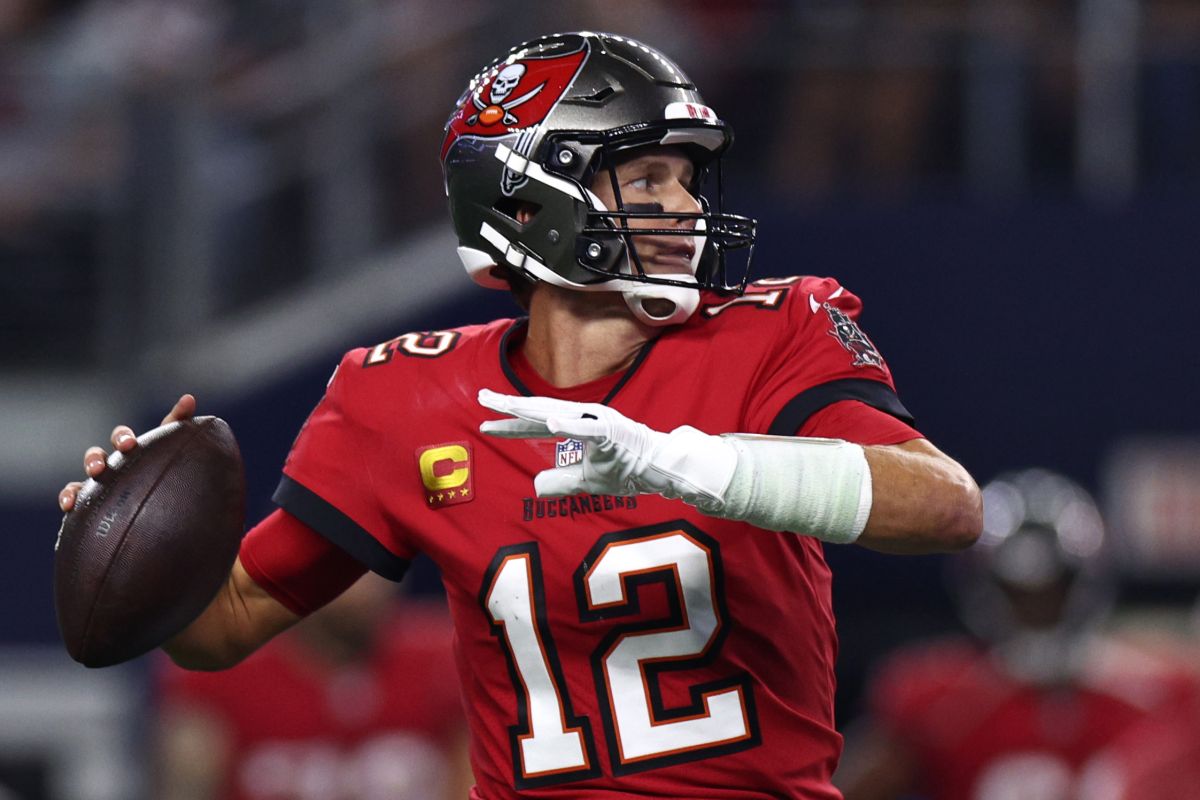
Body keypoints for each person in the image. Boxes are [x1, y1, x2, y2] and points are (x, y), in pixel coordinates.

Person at [59, 31, 982, 799]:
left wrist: (691, 464)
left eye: (687, 180)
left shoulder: (772, 332)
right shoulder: (404, 397)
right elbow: (224, 627)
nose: (685, 208)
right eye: (648, 179)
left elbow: (946, 507)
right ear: (531, 199)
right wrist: (129, 540)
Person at [836, 468, 1184, 800]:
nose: (1038, 610)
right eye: (1020, 595)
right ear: (986, 591)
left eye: (1054, 591)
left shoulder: (1166, 693)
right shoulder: (941, 701)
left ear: (1084, 586)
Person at [154, 572, 473, 800]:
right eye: (345, 561)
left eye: (376, 560)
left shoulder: (445, 658)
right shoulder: (223, 674)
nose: (363, 582)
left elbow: (477, 781)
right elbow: (186, 787)